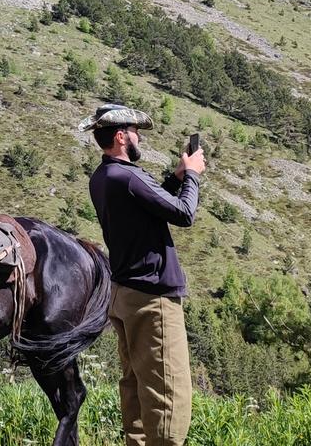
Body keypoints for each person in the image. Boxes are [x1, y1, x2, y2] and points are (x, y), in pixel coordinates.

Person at [84, 103, 205, 446]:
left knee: (135, 386)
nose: (140, 139)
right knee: (169, 391)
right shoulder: (129, 176)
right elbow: (183, 213)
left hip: (123, 295)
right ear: (121, 137)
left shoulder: (103, 178)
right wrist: (193, 174)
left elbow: (152, 203)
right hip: (153, 300)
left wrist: (177, 178)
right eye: (135, 132)